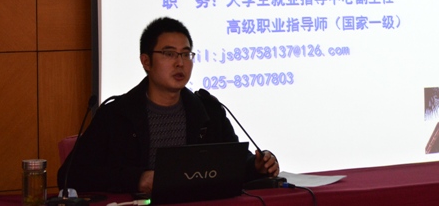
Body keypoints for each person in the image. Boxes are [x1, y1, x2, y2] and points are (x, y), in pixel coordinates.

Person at [58, 17, 279, 194]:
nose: (180, 63)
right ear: (146, 61)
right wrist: (137, 179)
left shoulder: (208, 111)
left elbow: (232, 163)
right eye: (169, 54)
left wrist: (257, 166)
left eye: (186, 54)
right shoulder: (116, 115)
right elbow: (70, 176)